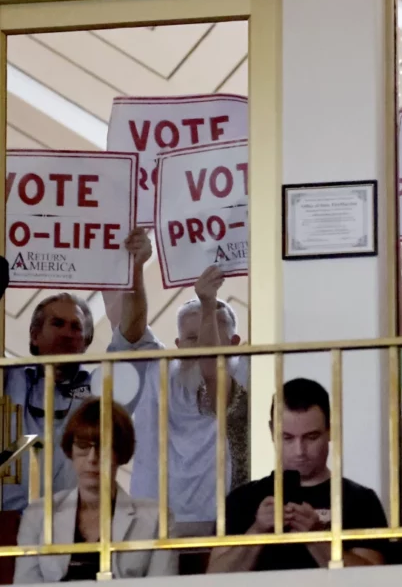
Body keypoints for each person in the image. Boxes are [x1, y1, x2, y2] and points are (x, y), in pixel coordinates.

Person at [107, 231, 248, 525]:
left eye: (213, 333)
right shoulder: (155, 369)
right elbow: (131, 325)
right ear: (178, 344)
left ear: (235, 344)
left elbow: (213, 366)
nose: (200, 346)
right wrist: (136, 268)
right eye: (191, 339)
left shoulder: (247, 370)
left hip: (227, 524)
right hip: (155, 525)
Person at [3, 231, 145, 512]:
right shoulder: (9, 377)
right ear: (34, 336)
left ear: (86, 342)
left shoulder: (99, 391)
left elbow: (132, 338)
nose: (67, 333)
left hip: (74, 524)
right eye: (57, 323)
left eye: (76, 327)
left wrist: (135, 271)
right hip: (6, 524)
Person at [207, 378, 387, 572]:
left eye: (311, 437)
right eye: (287, 438)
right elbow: (214, 578)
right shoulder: (241, 499)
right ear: (272, 432)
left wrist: (317, 539)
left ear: (330, 431)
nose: (300, 451)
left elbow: (374, 579)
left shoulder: (361, 500)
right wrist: (257, 532)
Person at [14, 398, 177, 582]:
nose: (92, 458)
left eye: (103, 446)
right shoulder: (38, 514)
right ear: (70, 450)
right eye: (83, 446)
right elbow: (25, 584)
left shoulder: (157, 519)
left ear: (120, 452)